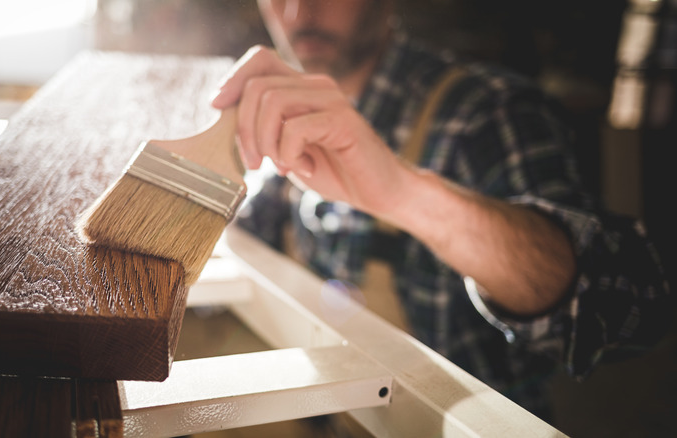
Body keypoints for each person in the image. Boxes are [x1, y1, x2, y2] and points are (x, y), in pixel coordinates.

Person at [210, 0, 673, 422]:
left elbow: (631, 303)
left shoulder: (486, 112)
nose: (298, 13)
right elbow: (249, 242)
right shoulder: (285, 121)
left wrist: (404, 193)